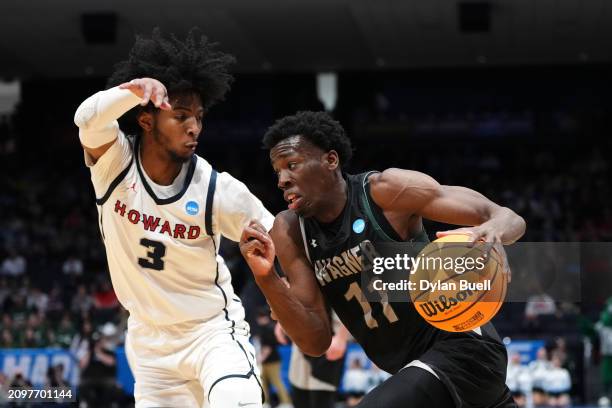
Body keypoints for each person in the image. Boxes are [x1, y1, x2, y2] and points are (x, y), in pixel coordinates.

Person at [239, 111, 526, 407]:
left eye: (292, 165)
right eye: (277, 171)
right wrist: (267, 279)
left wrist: (492, 230)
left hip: (464, 347)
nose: (282, 180)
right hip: (415, 370)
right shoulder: (289, 231)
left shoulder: (386, 193)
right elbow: (315, 342)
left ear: (331, 160)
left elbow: (508, 217)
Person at [73, 28, 273, 407]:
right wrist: (130, 92)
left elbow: (284, 238)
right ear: (147, 121)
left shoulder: (216, 189)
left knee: (238, 400)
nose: (194, 126)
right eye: (180, 115)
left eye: (198, 116)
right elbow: (87, 120)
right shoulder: (115, 163)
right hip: (150, 344)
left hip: (211, 332)